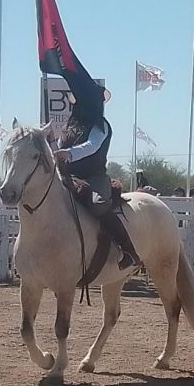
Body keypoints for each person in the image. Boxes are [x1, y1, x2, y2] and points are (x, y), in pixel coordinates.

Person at [53, 72, 140, 271]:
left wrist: (69, 153)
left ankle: (128, 250)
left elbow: (91, 146)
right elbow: (58, 146)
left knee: (98, 204)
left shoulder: (101, 127)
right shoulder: (70, 127)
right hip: (68, 176)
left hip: (94, 177)